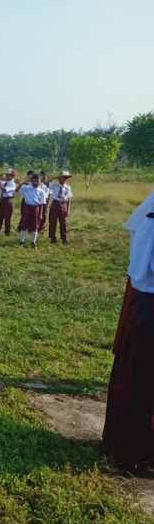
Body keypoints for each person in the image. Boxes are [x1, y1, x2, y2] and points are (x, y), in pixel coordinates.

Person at [102, 190, 154, 473]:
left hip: (142, 306)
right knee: (141, 380)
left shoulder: (146, 219)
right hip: (147, 311)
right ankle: (136, 450)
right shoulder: (150, 224)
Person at [16, 173, 47, 248]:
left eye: (37, 181)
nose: (35, 183)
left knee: (35, 226)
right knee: (24, 225)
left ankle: (33, 242)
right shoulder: (26, 188)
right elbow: (16, 190)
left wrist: (40, 214)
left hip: (36, 208)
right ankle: (21, 242)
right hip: (27, 208)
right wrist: (23, 182)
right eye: (34, 181)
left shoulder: (41, 191)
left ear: (40, 182)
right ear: (31, 181)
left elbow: (42, 203)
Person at [48, 170, 73, 244]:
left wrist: (68, 209)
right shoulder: (54, 185)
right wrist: (53, 178)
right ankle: (52, 237)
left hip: (63, 204)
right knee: (53, 221)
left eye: (66, 178)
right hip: (55, 203)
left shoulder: (67, 188)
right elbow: (45, 183)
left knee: (64, 222)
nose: (64, 179)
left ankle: (64, 238)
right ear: (59, 178)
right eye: (63, 177)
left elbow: (69, 199)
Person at [0, 168, 17, 236]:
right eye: (6, 175)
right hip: (2, 200)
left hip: (7, 200)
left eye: (9, 175)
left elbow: (4, 190)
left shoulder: (12, 184)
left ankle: (7, 231)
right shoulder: (4, 183)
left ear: (13, 176)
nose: (7, 176)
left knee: (7, 217)